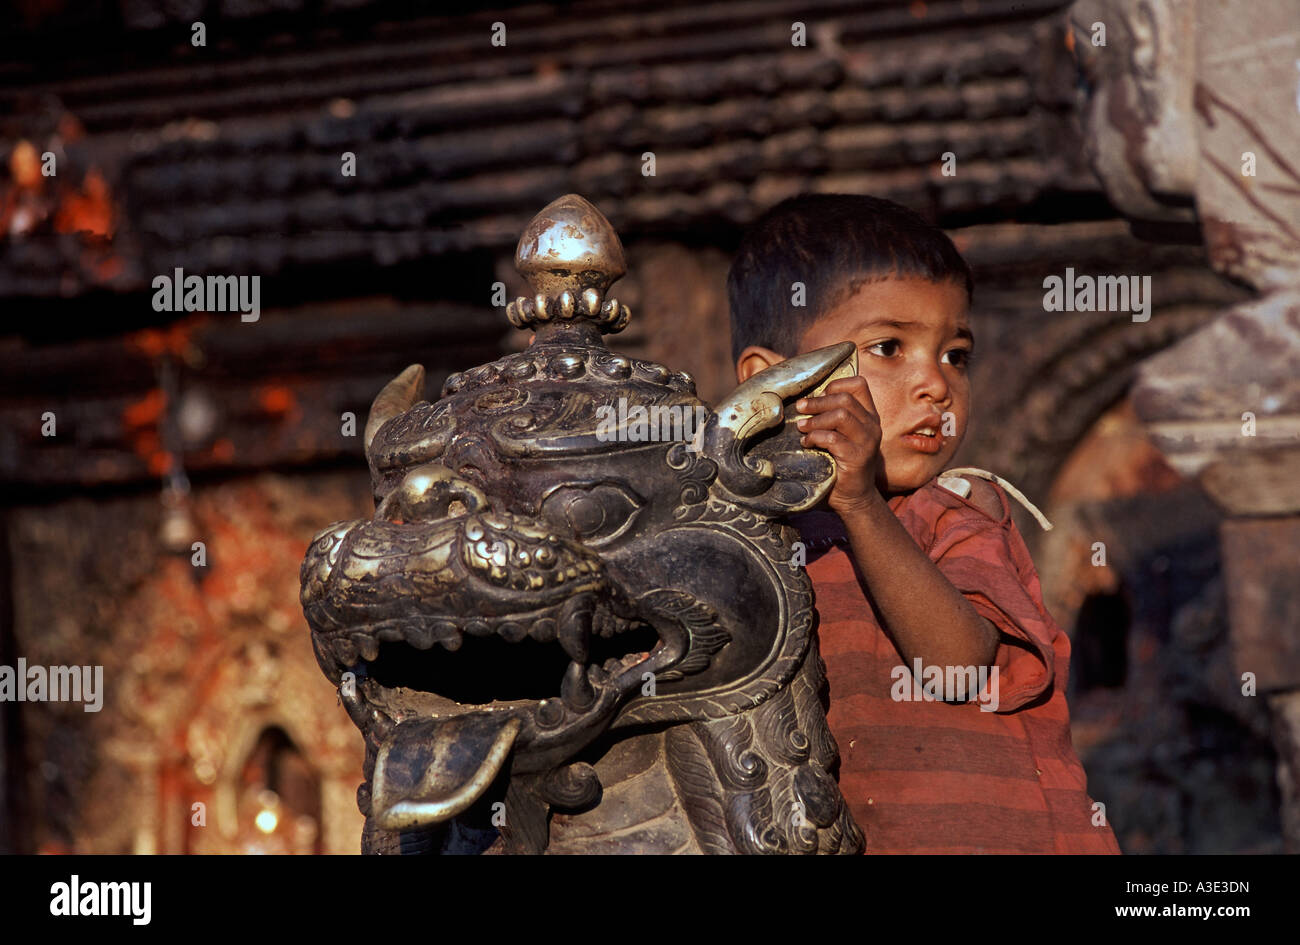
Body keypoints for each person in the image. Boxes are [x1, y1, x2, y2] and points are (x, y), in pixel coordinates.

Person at [729, 193, 1120, 853]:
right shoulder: (755, 529)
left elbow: (956, 666)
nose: (936, 384)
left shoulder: (958, 508)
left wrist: (859, 503)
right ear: (776, 382)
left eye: (956, 354)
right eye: (889, 347)